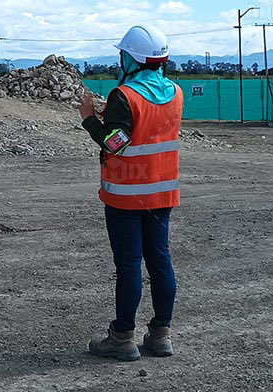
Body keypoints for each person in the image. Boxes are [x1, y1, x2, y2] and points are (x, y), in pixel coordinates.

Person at [79, 24, 182, 361]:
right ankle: (161, 335)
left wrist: (90, 119)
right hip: (162, 194)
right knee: (160, 261)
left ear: (133, 59)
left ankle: (122, 337)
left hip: (126, 196)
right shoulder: (176, 93)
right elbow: (148, 131)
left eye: (123, 54)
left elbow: (116, 143)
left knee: (128, 265)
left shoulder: (123, 95)